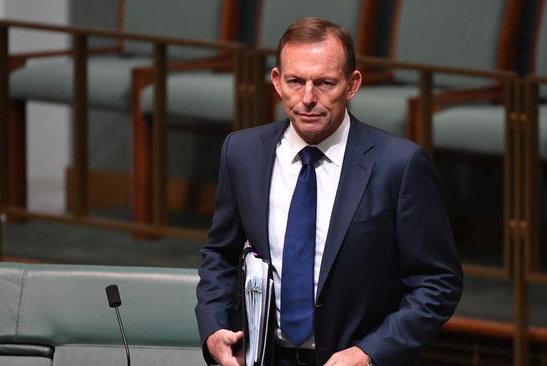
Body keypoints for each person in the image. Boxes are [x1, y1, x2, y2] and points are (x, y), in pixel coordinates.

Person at [195, 17, 463, 366]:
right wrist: (214, 328)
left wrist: (370, 353)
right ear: (277, 82)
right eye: (295, 81)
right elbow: (220, 255)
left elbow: (438, 283)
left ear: (352, 84)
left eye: (324, 83)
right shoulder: (242, 153)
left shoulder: (399, 165)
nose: (308, 98)